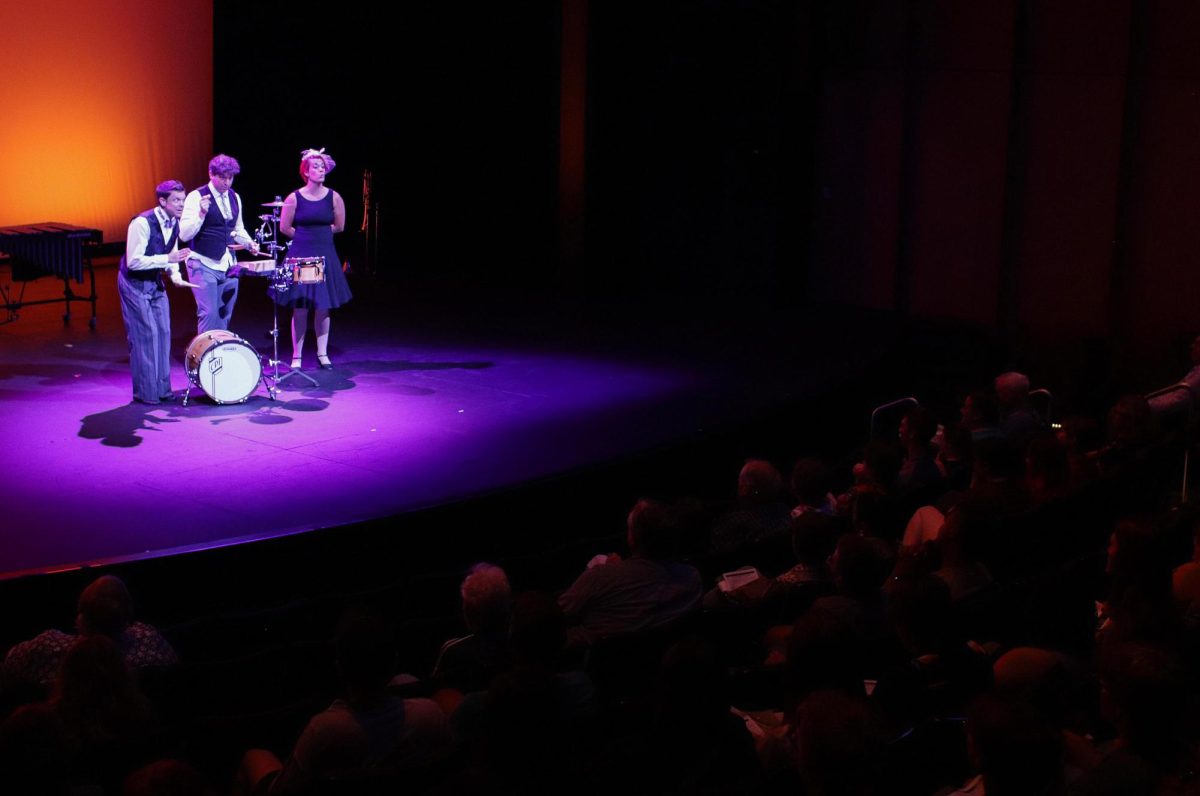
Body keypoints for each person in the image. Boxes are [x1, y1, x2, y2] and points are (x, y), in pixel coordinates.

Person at [273, 147, 352, 370]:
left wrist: (319, 236)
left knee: (323, 305)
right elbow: (285, 227)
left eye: (322, 166)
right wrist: (306, 238)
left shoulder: (334, 197)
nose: (321, 169)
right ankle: (297, 355)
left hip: (325, 252)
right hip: (302, 254)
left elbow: (339, 226)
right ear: (306, 172)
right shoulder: (294, 197)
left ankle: (322, 353)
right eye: (315, 167)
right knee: (301, 306)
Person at [116, 180, 192, 404]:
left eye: (183, 200)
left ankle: (163, 390)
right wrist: (166, 259)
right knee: (146, 335)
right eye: (176, 200)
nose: (181, 204)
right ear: (162, 201)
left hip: (155, 280)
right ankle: (146, 394)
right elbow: (134, 262)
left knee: (164, 332)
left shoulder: (175, 223)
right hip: (134, 282)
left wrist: (176, 276)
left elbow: (173, 252)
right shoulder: (142, 223)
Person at [179, 154, 259, 333]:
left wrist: (249, 244)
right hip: (203, 262)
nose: (227, 182)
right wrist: (201, 213)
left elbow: (237, 229)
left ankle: (220, 354)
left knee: (224, 313)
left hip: (229, 264)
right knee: (208, 313)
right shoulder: (196, 196)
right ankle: (205, 357)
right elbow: (184, 235)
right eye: (223, 178)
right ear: (211, 174)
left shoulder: (234, 197)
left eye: (230, 178)